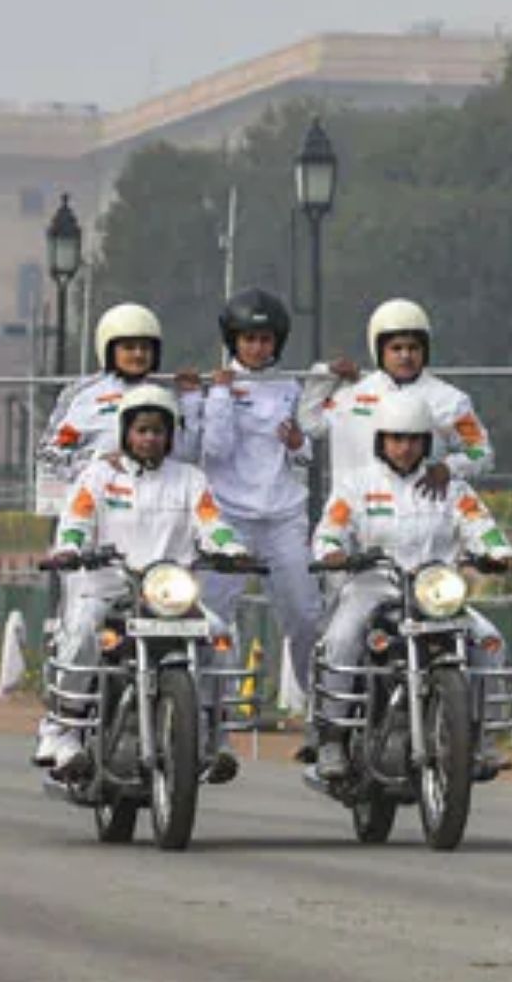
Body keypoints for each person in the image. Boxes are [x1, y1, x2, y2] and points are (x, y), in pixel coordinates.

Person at [36, 385, 248, 782]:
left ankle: (214, 735)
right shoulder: (97, 476)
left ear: (170, 436)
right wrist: (70, 548)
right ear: (125, 433)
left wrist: (232, 548)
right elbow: (77, 521)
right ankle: (61, 733)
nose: (150, 438)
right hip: (107, 589)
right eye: (141, 430)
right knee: (82, 632)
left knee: (221, 637)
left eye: (158, 431)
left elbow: (212, 522)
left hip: (170, 594)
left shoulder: (190, 479)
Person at [309, 393, 512, 783]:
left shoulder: (450, 488)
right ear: (382, 441)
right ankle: (332, 739)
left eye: (414, 439)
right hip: (374, 587)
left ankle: (484, 738)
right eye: (396, 439)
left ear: (427, 442)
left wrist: (501, 552)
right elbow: (330, 529)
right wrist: (333, 551)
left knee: (490, 641)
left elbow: (481, 527)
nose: (405, 448)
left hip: (435, 592)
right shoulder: (357, 485)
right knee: (340, 640)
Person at [186, 288, 324, 730]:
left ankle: (324, 710)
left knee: (304, 616)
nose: (257, 347)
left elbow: (306, 457)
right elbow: (215, 449)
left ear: (277, 343)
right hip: (229, 515)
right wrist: (221, 396)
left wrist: (298, 443)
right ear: (234, 341)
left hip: (283, 514)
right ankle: (210, 712)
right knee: (211, 617)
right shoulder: (217, 387)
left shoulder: (290, 386)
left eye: (265, 340)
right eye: (248, 339)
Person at [299, 298, 494, 498]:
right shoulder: (352, 395)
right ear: (379, 350)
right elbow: (311, 424)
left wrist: (447, 468)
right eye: (396, 348)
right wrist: (322, 376)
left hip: (420, 519)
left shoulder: (451, 401)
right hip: (355, 518)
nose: (405, 356)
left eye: (413, 348)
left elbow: (481, 453)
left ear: (425, 350)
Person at [37, 304, 197, 485]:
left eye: (145, 348)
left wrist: (192, 399)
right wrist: (99, 461)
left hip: (154, 500)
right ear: (109, 349)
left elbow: (187, 455)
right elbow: (49, 457)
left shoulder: (167, 396)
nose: (138, 354)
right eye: (129, 347)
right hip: (99, 500)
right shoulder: (83, 395)